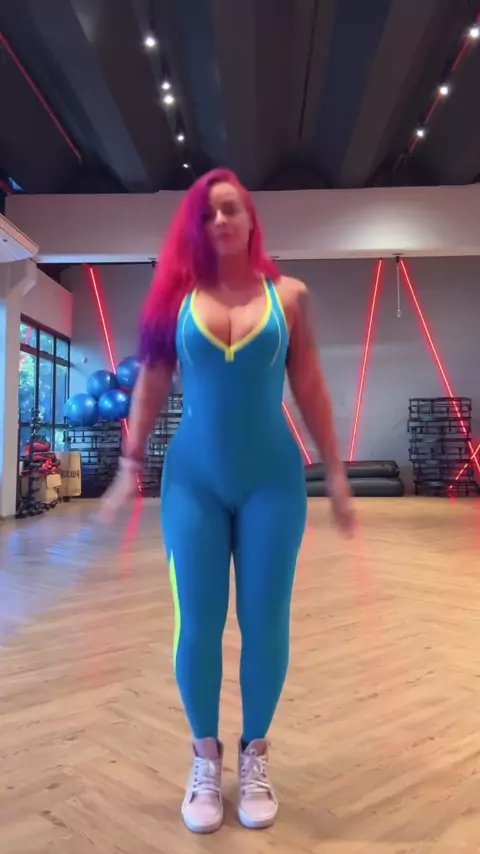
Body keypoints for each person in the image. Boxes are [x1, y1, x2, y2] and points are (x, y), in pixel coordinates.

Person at [101, 168, 354, 834]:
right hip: (194, 484)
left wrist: (335, 471)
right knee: (198, 623)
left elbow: (311, 385)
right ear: (197, 225)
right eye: (209, 212)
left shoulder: (289, 296)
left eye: (231, 209)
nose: (220, 220)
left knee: (265, 622)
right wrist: (130, 461)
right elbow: (152, 382)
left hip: (274, 482)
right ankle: (205, 761)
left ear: (250, 219)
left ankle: (256, 755)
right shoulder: (176, 300)